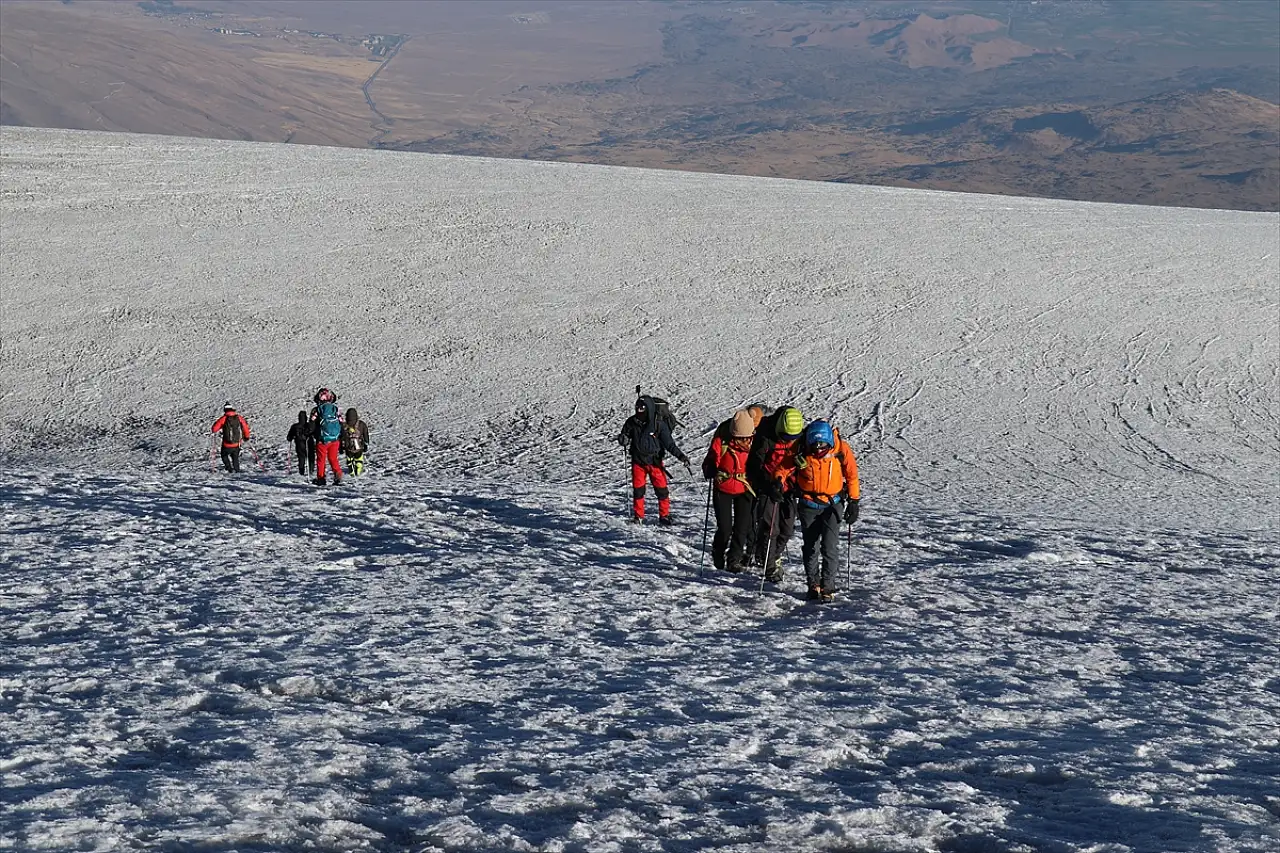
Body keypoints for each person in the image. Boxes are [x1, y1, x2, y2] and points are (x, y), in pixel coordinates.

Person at [773, 419, 860, 602]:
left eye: (823, 447)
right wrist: (777, 483)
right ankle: (813, 584)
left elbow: (851, 475)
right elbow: (783, 468)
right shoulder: (800, 449)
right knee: (811, 547)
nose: (819, 450)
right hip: (808, 504)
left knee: (829, 547)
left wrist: (854, 501)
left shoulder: (840, 449)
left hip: (832, 504)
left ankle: (828, 587)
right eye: (815, 447)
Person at [746, 405, 804, 582]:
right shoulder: (764, 435)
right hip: (767, 487)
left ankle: (769, 555)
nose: (787, 442)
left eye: (792, 439)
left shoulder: (799, 436)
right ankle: (769, 567)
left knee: (787, 529)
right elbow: (754, 466)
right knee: (770, 528)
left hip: (788, 489)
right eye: (785, 438)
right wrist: (768, 485)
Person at [617, 396, 690, 525]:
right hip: (638, 461)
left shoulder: (658, 424)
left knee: (662, 490)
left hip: (655, 462)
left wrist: (681, 456)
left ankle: (664, 516)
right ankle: (638, 516)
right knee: (638, 490)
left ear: (649, 408)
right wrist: (623, 439)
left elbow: (669, 444)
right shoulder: (631, 422)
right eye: (637, 407)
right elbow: (625, 435)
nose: (639, 410)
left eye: (642, 408)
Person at [701, 409, 757, 572]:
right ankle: (718, 551)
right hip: (723, 487)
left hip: (745, 487)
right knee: (725, 528)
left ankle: (734, 560)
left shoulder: (755, 443)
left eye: (746, 437)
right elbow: (711, 457)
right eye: (740, 437)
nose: (744, 440)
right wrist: (710, 467)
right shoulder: (722, 441)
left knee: (742, 527)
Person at [312, 388, 344, 486]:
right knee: (333, 458)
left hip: (322, 440)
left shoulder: (316, 410)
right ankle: (338, 475)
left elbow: (312, 424)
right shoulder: (336, 409)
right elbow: (342, 423)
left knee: (321, 460)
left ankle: (321, 479)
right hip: (335, 439)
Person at [211, 403, 250, 473]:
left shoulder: (224, 418)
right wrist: (246, 437)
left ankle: (229, 469)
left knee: (224, 456)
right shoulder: (239, 418)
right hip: (236, 443)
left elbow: (214, 429)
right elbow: (245, 428)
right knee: (235, 458)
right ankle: (237, 471)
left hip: (226, 444)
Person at [285, 410, 316, 476]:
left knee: (301, 458)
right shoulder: (309, 425)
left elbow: (289, 437)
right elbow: (315, 433)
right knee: (311, 457)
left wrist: (292, 437)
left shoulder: (295, 426)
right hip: (309, 444)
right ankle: (311, 471)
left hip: (299, 445)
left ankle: (301, 472)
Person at [342, 407, 371, 475]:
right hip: (359, 446)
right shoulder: (361, 424)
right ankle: (358, 470)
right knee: (358, 458)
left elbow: (341, 437)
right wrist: (366, 443)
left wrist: (341, 447)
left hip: (348, 447)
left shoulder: (344, 425)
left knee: (349, 459)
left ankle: (351, 470)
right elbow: (365, 434)